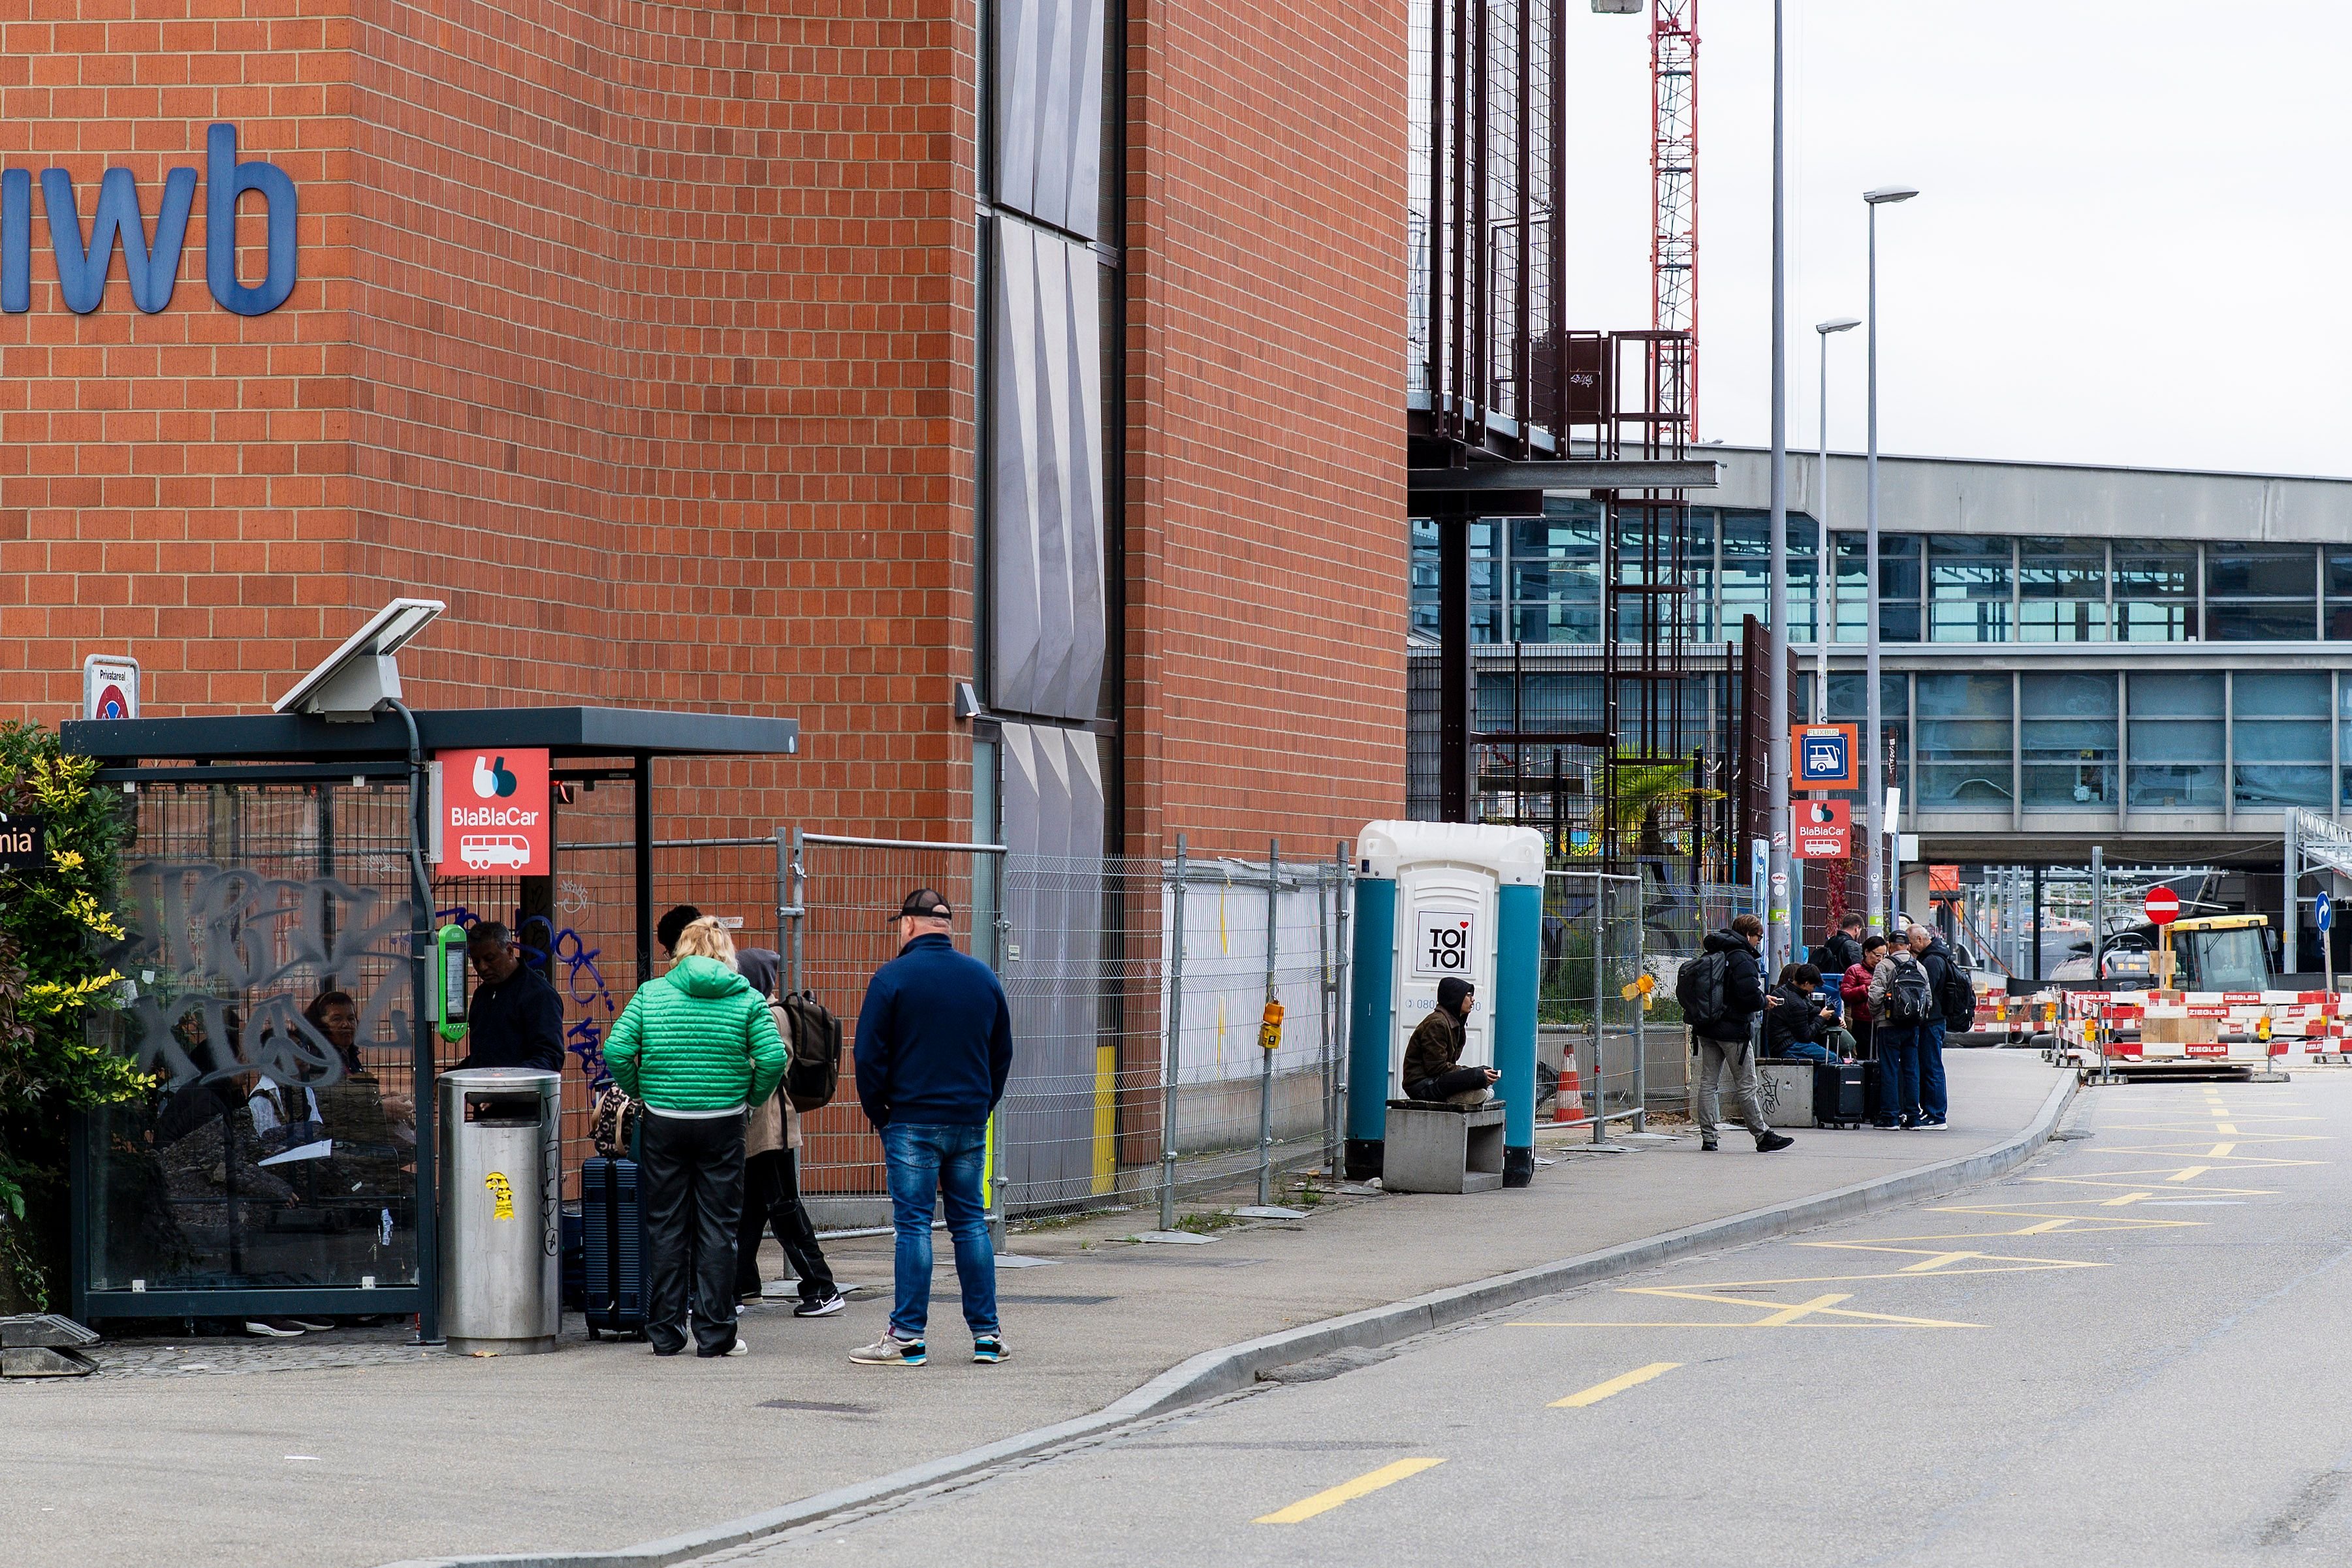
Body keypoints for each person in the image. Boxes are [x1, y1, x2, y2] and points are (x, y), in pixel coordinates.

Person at [605, 916, 787, 1358]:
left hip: (664, 1122)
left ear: (681, 950)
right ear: (726, 952)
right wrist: (747, 1100)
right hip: (723, 1124)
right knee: (719, 1228)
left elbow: (616, 1050)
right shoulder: (745, 996)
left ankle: (665, 1332)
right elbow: (772, 1058)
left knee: (665, 1226)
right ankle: (716, 1333)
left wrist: (641, 1090)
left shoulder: (652, 993)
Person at [849, 888, 1013, 1369]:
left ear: (907, 925)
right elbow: (1001, 1053)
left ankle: (907, 1339)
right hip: (968, 1120)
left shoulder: (892, 978)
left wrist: (880, 1113)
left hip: (910, 1121)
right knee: (969, 1225)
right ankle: (987, 1336)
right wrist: (983, 1103)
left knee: (914, 1226)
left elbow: (866, 1055)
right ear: (946, 926)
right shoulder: (983, 979)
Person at [731, 947, 844, 1317]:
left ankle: (822, 1286)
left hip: (769, 1129)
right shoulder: (765, 1012)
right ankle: (739, 1286)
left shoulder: (769, 1016)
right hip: (762, 1128)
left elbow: (765, 1064)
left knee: (783, 1209)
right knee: (749, 1211)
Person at [1687, 913, 1796, 1155]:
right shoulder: (1742, 957)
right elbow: (1747, 995)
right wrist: (1762, 1001)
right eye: (1759, 937)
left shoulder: (1716, 952)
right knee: (1747, 1084)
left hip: (1708, 1028)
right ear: (1749, 935)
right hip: (1734, 1031)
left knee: (1708, 1083)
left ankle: (1709, 1138)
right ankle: (1762, 1135)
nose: (1759, 942)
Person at [458, 923, 565, 1073]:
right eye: (476, 961)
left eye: (490, 959)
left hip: (520, 1093)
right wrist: (448, 1077)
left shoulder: (539, 995)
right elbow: (481, 1058)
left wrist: (507, 1078)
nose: (482, 967)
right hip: (485, 1091)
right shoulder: (482, 995)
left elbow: (550, 1058)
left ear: (509, 950)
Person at [1867, 935, 1935, 1130]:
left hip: (1889, 1025)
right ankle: (1913, 1117)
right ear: (1908, 946)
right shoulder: (1919, 966)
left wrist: (1878, 1016)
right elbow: (1928, 998)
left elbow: (1875, 996)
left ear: (1890, 946)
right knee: (1912, 1070)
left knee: (1890, 1069)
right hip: (1912, 1026)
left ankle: (1891, 1117)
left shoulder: (1885, 965)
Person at [1401, 977, 1499, 1105]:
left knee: (1482, 1072)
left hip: (1434, 1081)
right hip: (1422, 1086)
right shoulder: (1437, 1024)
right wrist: (1474, 1075)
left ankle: (1468, 1094)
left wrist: (1477, 1073)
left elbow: (1446, 1068)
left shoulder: (1452, 1023)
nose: (1473, 1000)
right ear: (1456, 998)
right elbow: (1436, 1068)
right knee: (1477, 1075)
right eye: (1469, 995)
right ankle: (1458, 1096)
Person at [1905, 924, 1960, 1131]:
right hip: (1933, 1020)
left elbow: (1925, 990)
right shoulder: (1937, 956)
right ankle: (1931, 1112)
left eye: (1911, 943)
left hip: (1932, 1021)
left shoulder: (1932, 961)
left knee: (1931, 1066)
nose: (1910, 948)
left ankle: (1936, 1115)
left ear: (1920, 939)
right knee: (1929, 1065)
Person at [1765, 964, 1847, 1065]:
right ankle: (1817, 1081)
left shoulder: (1784, 991)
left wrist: (1836, 1019)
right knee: (1833, 1060)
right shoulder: (1797, 1003)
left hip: (1779, 1044)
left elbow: (1813, 1011)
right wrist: (1821, 1018)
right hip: (1787, 1047)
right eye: (1813, 986)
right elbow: (1806, 1036)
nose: (1813, 990)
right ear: (1806, 983)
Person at [1839, 934, 1888, 1062]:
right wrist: (1865, 989)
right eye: (1877, 955)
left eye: (1883, 956)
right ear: (1866, 952)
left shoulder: (1886, 970)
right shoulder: (1854, 971)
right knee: (1864, 1056)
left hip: (1883, 1020)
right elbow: (1845, 993)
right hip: (1862, 1021)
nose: (1880, 959)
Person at [1819, 912, 1867, 978]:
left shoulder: (1830, 941)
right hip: (1845, 984)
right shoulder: (1853, 946)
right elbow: (1858, 972)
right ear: (1857, 929)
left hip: (1827, 982)